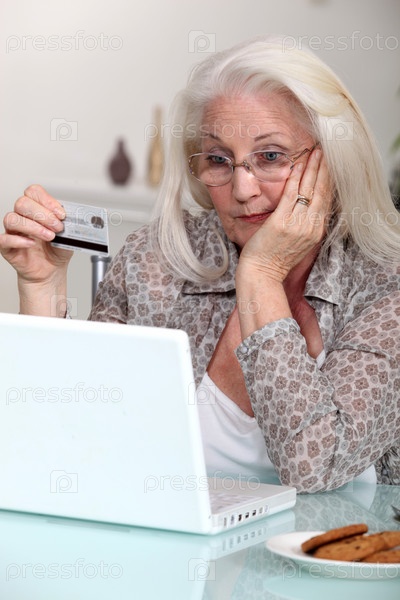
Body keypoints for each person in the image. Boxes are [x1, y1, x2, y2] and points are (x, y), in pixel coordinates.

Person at [1, 35, 399, 493]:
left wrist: (261, 275)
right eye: (218, 159)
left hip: (339, 541)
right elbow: (67, 440)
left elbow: (315, 467)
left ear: (332, 160)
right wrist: (43, 286)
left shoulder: (385, 286)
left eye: (270, 156)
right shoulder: (156, 260)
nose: (243, 189)